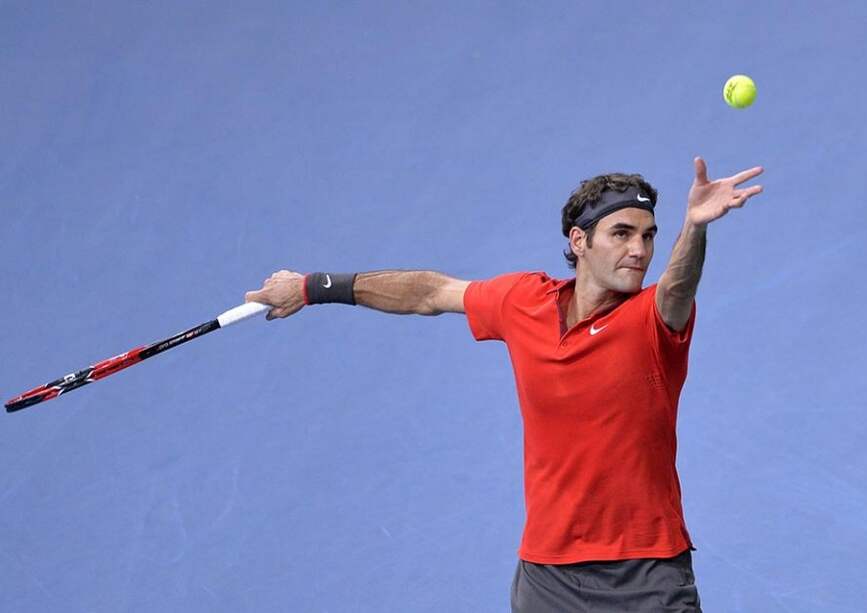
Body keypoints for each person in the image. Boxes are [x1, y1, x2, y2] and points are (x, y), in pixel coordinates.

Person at [244, 156, 764, 612]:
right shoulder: (523, 302)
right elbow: (431, 292)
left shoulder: (653, 320)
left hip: (646, 575)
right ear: (579, 241)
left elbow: (677, 285)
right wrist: (314, 287)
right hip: (547, 576)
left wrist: (694, 227)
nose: (639, 250)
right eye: (622, 233)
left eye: (648, 236)